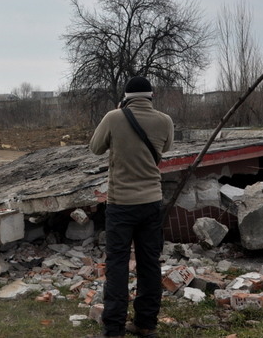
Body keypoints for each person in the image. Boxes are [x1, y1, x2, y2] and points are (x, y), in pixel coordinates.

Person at [88, 76, 174, 338]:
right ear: (151, 96)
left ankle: (114, 329)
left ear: (125, 97)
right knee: (149, 264)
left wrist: (118, 115)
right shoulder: (165, 120)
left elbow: (95, 148)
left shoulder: (114, 117)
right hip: (151, 202)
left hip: (121, 204)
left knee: (117, 265)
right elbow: (166, 147)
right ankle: (146, 324)